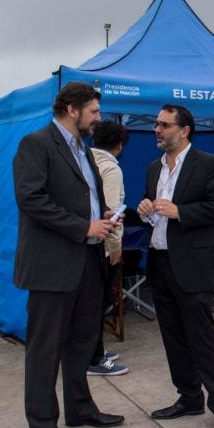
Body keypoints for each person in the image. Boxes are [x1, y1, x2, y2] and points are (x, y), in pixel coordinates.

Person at [13, 82, 124, 428]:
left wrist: (101, 215)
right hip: (52, 266)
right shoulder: (37, 144)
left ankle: (80, 409)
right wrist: (83, 226)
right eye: (93, 112)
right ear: (72, 109)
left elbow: (83, 199)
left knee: (82, 343)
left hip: (87, 262)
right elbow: (32, 200)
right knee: (46, 348)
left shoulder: (86, 152)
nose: (98, 119)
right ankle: (43, 424)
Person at [137, 104, 214, 428]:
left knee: (203, 339)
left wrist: (182, 211)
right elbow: (151, 207)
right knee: (173, 338)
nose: (157, 130)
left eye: (164, 125)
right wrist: (145, 208)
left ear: (184, 130)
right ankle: (189, 397)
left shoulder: (209, 165)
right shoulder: (154, 168)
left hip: (193, 266)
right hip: (161, 262)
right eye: (156, 124)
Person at [87, 120, 129, 376]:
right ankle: (94, 358)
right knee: (99, 302)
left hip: (87, 243)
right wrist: (114, 247)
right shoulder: (111, 169)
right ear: (119, 145)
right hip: (102, 246)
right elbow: (111, 213)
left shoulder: (86, 161)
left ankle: (96, 350)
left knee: (91, 303)